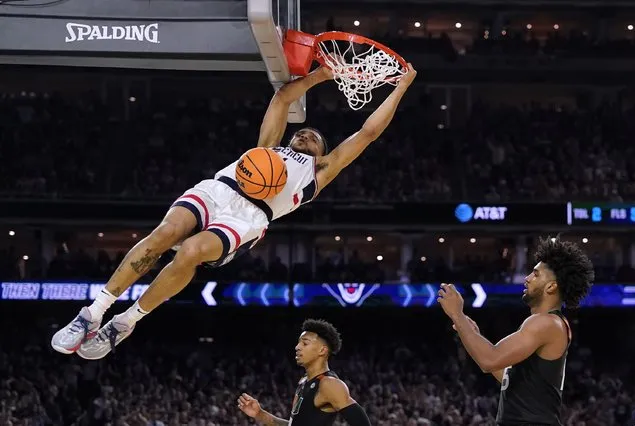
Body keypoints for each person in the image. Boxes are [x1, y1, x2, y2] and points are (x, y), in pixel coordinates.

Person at [50, 63, 417, 359]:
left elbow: (368, 132)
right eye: (301, 133)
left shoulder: (319, 172)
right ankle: (92, 313)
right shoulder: (268, 147)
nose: (304, 135)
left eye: (313, 137)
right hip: (218, 190)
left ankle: (127, 321)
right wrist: (321, 74)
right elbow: (283, 97)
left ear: (322, 153)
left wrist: (401, 85)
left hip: (248, 217)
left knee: (191, 253)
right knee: (163, 236)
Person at [437, 236, 595, 426]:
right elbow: (506, 376)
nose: (527, 278)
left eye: (535, 274)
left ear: (551, 286)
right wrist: (473, 335)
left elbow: (489, 360)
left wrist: (457, 315)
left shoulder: (546, 323)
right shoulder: (547, 323)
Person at [237, 319, 371, 426]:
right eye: (298, 343)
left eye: (305, 343)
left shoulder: (329, 384)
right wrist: (260, 414)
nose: (297, 347)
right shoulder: (304, 381)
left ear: (322, 350)